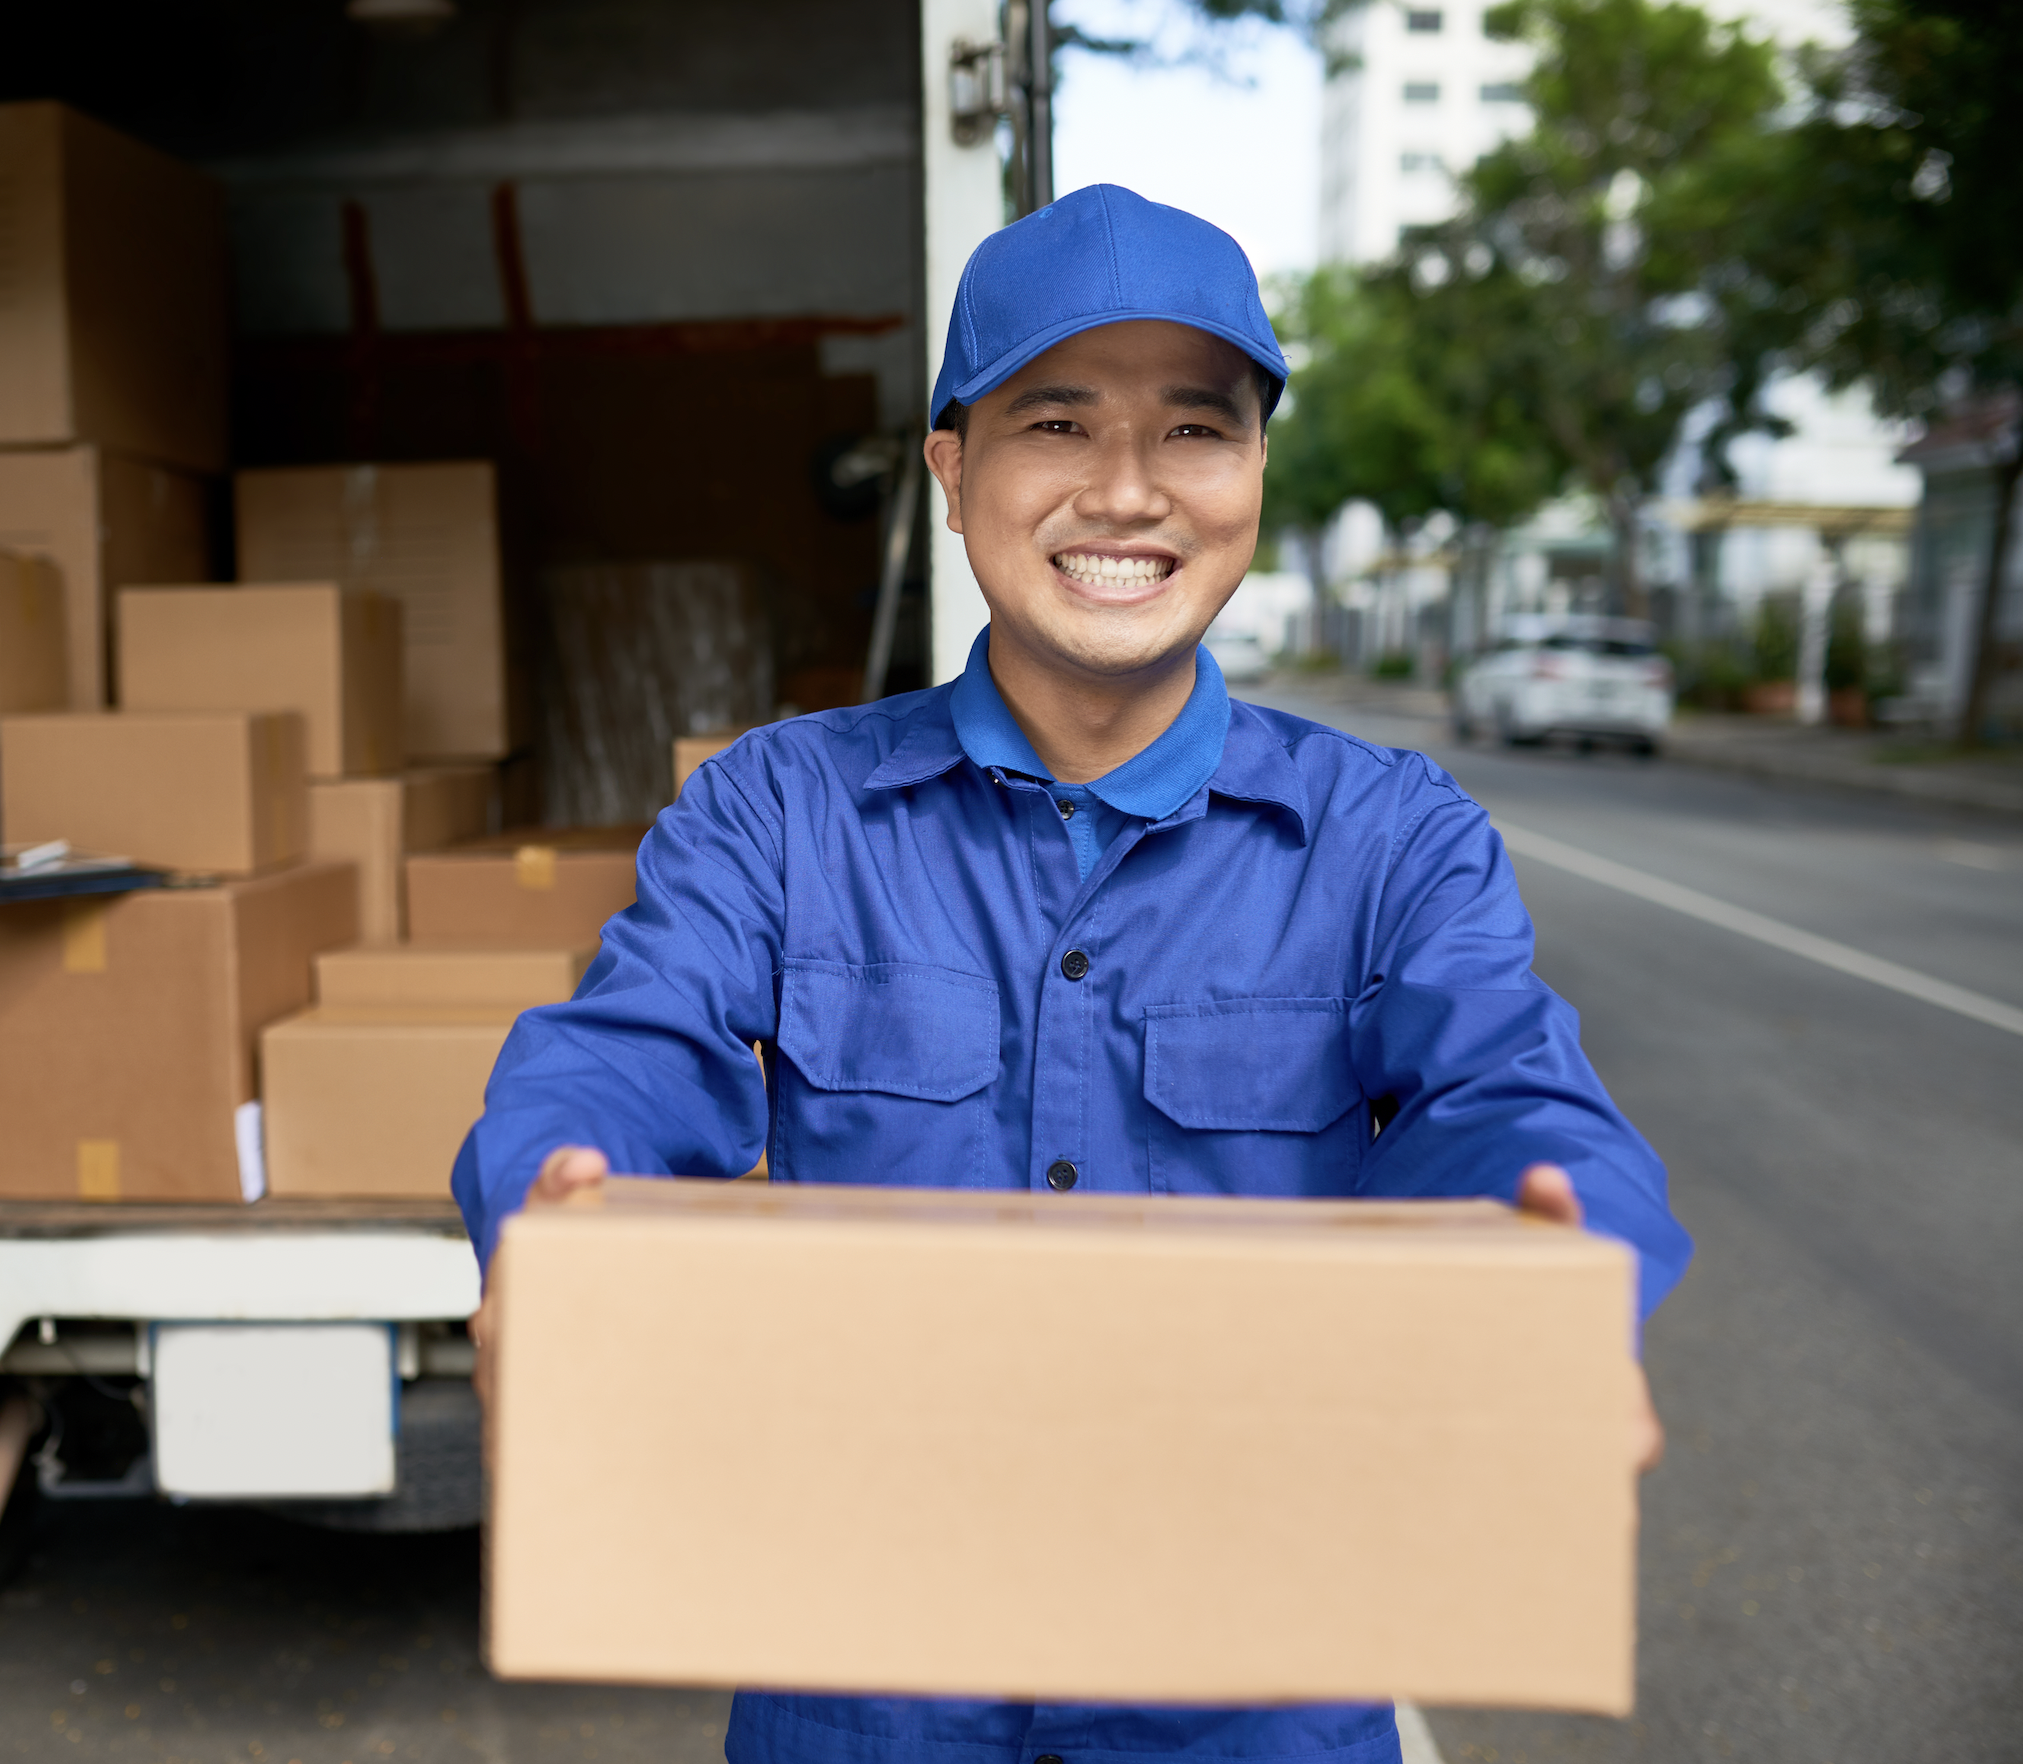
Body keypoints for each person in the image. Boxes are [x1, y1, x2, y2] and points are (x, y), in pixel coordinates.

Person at [452, 183, 1691, 1764]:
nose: (1127, 492)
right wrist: (553, 1214)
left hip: (1257, 1691)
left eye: (1195, 430)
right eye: (1057, 423)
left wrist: (1566, 1274)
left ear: (1254, 474)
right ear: (955, 471)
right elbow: (623, 1049)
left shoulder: (1390, 838)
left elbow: (1510, 1096)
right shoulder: (780, 808)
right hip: (865, 1685)